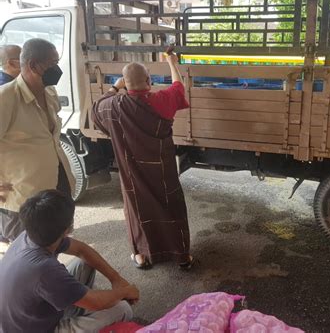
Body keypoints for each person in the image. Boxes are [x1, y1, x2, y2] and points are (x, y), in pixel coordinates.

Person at [92, 52, 193, 270]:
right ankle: (182, 255)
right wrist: (171, 63)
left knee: (138, 210)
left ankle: (142, 256)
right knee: (171, 208)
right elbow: (178, 86)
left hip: (132, 172)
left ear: (126, 84)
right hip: (163, 170)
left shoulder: (114, 105)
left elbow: (96, 108)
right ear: (149, 81)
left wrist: (115, 87)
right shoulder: (161, 100)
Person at [0, 189, 139, 332]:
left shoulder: (31, 235)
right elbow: (96, 303)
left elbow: (81, 249)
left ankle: (77, 303)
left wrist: (115, 279)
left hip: (30, 314)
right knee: (122, 309)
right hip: (38, 329)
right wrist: (124, 292)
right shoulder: (45, 269)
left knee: (84, 262)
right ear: (67, 229)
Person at [0, 38, 75, 248]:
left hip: (54, 186)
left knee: (56, 244)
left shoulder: (49, 92)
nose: (57, 68)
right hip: (23, 198)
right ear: (33, 65)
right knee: (27, 252)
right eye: (52, 63)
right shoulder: (6, 98)